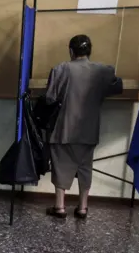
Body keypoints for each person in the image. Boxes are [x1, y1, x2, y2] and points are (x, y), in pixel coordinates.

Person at [44, 34, 123, 219]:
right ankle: (82, 207)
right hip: (89, 129)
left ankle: (60, 207)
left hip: (64, 129)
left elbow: (50, 98)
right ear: (89, 51)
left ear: (71, 51)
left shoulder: (61, 69)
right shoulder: (103, 70)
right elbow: (117, 87)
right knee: (85, 167)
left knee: (61, 166)